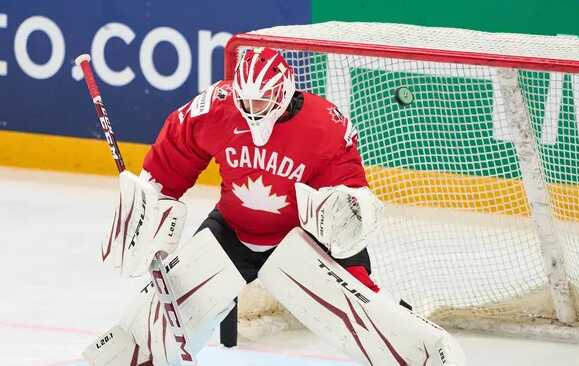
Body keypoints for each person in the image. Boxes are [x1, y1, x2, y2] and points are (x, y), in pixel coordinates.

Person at [83, 47, 386, 366]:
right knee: (169, 305)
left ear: (282, 93)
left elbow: (348, 190)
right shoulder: (216, 107)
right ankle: (143, 356)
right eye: (245, 100)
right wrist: (151, 200)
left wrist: (350, 209)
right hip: (231, 231)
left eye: (261, 101)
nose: (251, 109)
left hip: (300, 238)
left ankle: (393, 342)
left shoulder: (324, 123)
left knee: (358, 307)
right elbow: (176, 151)